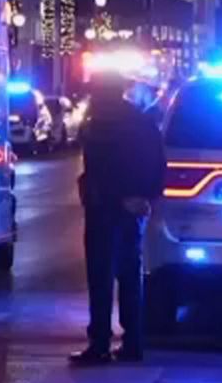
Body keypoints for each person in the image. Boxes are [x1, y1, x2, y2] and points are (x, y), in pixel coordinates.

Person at [71, 71, 167, 366]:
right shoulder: (139, 121)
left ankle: (100, 342)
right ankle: (132, 341)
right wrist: (145, 196)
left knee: (101, 278)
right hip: (128, 208)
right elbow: (158, 164)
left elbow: (102, 167)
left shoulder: (99, 123)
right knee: (129, 274)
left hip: (104, 208)